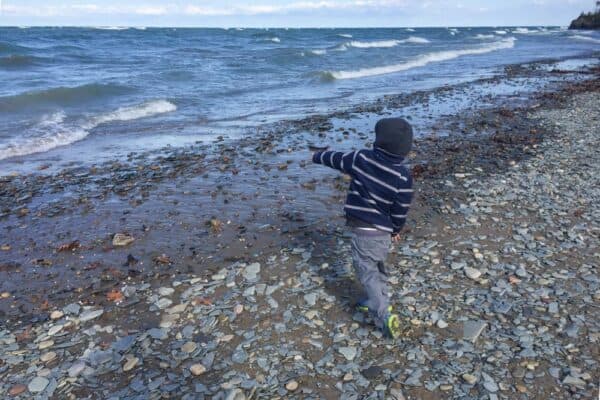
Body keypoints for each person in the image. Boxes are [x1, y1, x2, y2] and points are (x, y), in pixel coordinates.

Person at [312, 118, 414, 339]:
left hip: (364, 231)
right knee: (378, 266)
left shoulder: (361, 158)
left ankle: (383, 313)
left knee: (366, 271)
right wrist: (396, 229)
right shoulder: (403, 176)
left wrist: (317, 155)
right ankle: (377, 297)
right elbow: (400, 208)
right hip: (384, 232)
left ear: (378, 141)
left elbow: (336, 159)